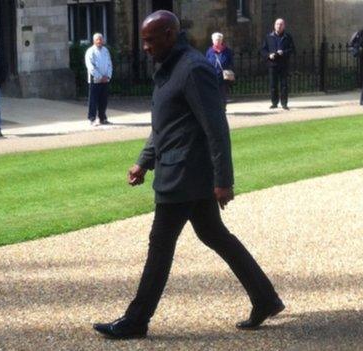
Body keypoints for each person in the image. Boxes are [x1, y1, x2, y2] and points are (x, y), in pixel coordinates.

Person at [93, 10, 284, 340]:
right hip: (180, 173)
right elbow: (165, 126)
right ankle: (265, 299)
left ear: (169, 34)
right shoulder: (170, 69)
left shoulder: (193, 69)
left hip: (185, 177)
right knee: (214, 235)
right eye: (144, 41)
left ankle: (137, 320)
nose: (146, 48)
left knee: (160, 243)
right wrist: (143, 161)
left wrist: (224, 180)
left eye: (150, 40)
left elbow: (216, 128)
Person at [261, 18, 295, 110]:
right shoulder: (268, 36)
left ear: (284, 26)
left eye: (281, 24)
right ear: (274, 25)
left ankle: (284, 103)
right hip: (273, 64)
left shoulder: (288, 37)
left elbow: (292, 49)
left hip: (283, 63)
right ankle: (274, 103)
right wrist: (269, 55)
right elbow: (263, 50)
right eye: (277, 24)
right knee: (273, 85)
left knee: (284, 85)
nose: (279, 26)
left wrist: (283, 52)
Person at [85, 33, 113, 126]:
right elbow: (90, 66)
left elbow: (109, 64)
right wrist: (99, 77)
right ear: (94, 41)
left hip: (105, 80)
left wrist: (108, 76)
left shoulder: (105, 51)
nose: (100, 41)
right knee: (93, 100)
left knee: (103, 100)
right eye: (98, 39)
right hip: (95, 80)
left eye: (101, 39)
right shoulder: (90, 51)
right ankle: (91, 118)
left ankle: (102, 118)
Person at [205, 32, 234, 110]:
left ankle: (223, 108)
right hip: (212, 75)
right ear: (212, 41)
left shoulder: (227, 51)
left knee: (223, 93)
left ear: (221, 41)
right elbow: (206, 62)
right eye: (215, 40)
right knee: (213, 93)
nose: (217, 41)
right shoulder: (209, 51)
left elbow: (231, 62)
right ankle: (215, 108)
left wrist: (229, 70)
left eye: (219, 40)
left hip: (223, 76)